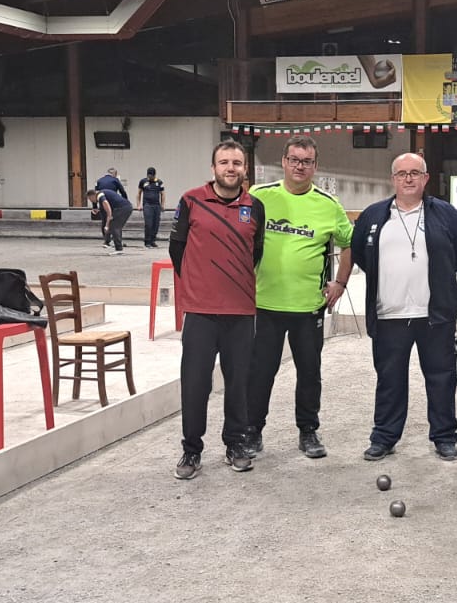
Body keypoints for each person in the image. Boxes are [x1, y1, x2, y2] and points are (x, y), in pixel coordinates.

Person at [353, 152, 457, 462]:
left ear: (425, 178)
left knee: (442, 378)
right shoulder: (374, 215)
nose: (408, 178)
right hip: (389, 314)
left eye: (415, 173)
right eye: (402, 173)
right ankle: (384, 437)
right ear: (392, 179)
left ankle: (444, 437)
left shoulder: (446, 214)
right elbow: (361, 253)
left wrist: (440, 276)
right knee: (389, 380)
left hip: (435, 315)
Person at [245, 136, 353, 460]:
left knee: (309, 372)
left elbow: (349, 243)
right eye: (294, 159)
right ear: (284, 162)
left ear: (315, 166)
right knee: (260, 373)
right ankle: (252, 431)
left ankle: (308, 431)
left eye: (306, 161)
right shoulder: (259, 196)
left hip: (308, 307)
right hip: (264, 304)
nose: (300, 166)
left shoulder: (328, 204)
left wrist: (340, 282)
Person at [168, 139, 264, 480]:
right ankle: (191, 449)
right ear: (213, 168)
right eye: (224, 162)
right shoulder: (191, 201)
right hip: (200, 312)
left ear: (245, 169)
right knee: (195, 384)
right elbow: (177, 249)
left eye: (236, 163)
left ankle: (235, 444)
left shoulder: (255, 206)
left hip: (240, 312)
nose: (230, 168)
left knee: (238, 384)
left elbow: (256, 252)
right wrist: (201, 285)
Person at [88, 184, 132, 254]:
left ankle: (119, 249)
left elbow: (108, 210)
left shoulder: (100, 196)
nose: (92, 201)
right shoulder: (102, 193)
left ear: (92, 196)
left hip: (123, 208)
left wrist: (107, 225)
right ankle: (114, 244)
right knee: (114, 226)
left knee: (114, 227)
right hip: (124, 207)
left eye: (90, 199)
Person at [136, 166, 166, 248]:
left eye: (151, 176)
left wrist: (162, 205)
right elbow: (139, 193)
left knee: (156, 224)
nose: (150, 177)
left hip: (156, 205)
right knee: (148, 223)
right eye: (148, 175)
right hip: (147, 205)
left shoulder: (159, 182)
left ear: (154, 175)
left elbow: (163, 194)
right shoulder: (143, 181)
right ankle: (147, 241)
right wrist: (138, 205)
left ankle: (153, 240)